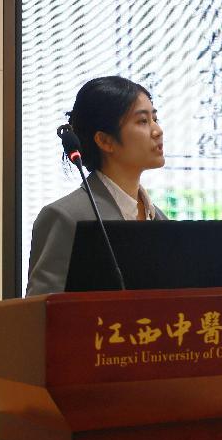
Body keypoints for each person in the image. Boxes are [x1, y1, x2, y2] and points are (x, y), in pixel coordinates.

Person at [26, 76, 167, 296]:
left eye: (155, 118)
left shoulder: (160, 219)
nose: (157, 130)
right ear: (105, 141)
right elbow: (42, 309)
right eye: (142, 121)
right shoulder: (65, 217)